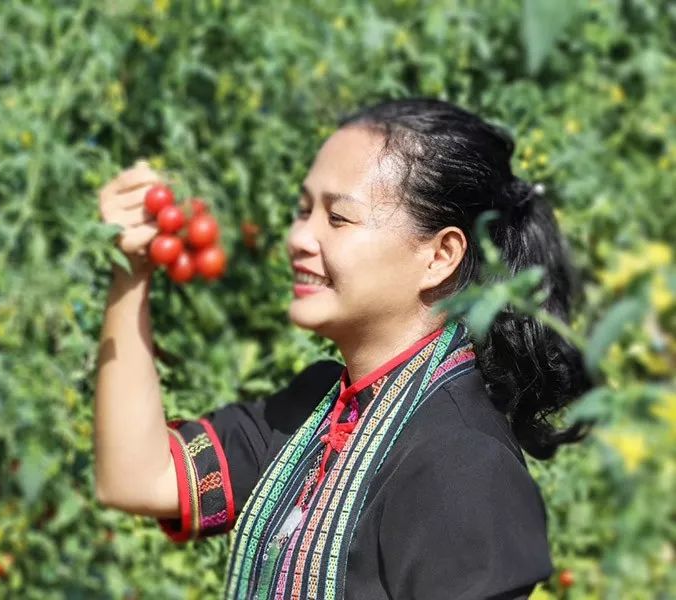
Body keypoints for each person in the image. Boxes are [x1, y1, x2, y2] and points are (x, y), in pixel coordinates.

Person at [93, 98, 591, 599]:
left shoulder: (465, 466)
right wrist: (131, 273)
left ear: (440, 257)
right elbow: (137, 478)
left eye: (337, 218)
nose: (297, 238)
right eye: (303, 211)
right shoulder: (312, 414)